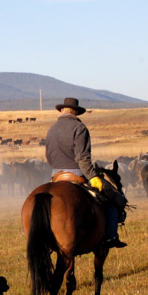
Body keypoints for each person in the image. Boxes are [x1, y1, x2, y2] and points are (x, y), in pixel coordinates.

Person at [43, 98, 126, 249]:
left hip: (56, 175)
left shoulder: (52, 129)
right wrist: (93, 177)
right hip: (77, 174)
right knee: (110, 198)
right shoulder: (79, 128)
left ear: (62, 111)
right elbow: (83, 159)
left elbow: (49, 156)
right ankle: (111, 236)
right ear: (76, 112)